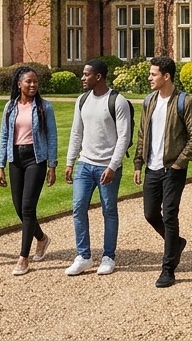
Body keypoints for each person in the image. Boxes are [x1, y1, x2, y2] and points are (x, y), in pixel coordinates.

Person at [132, 55, 192, 288]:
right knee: (151, 214)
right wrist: (138, 163)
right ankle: (176, 244)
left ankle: (168, 268)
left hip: (173, 168)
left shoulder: (185, 102)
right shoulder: (149, 101)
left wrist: (179, 163)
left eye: (153, 74)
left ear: (166, 76)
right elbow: (142, 134)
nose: (150, 78)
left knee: (170, 215)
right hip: (152, 168)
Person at [64, 58, 132, 277]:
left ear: (98, 76)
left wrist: (113, 166)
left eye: (86, 74)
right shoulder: (82, 100)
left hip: (107, 166)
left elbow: (124, 137)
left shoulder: (117, 101)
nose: (82, 78)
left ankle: (108, 256)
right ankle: (83, 256)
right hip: (85, 164)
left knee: (109, 211)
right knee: (78, 209)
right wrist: (70, 161)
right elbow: (77, 133)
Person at [0, 66, 58, 276]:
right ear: (19, 84)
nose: (33, 85)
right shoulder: (10, 107)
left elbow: (52, 137)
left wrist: (52, 165)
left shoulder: (44, 107)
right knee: (18, 208)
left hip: (35, 158)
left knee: (28, 207)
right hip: (15, 158)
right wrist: (1, 166)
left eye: (35, 82)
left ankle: (23, 257)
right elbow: (4, 137)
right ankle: (41, 238)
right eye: (28, 82)